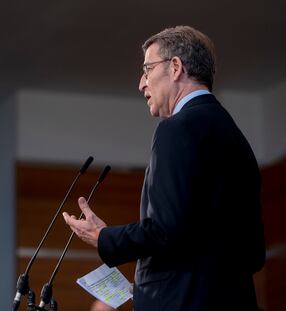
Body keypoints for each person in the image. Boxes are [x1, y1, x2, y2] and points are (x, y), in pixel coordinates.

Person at [63, 26, 265, 311]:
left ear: (175, 67)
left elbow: (165, 229)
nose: (141, 83)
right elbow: (251, 251)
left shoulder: (177, 129)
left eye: (147, 69)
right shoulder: (235, 136)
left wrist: (104, 237)